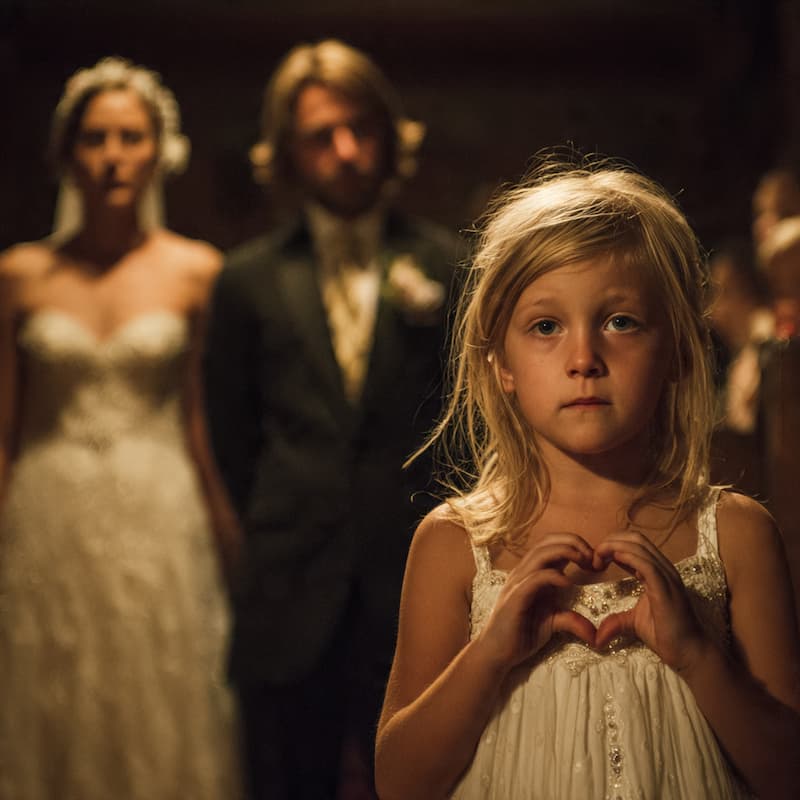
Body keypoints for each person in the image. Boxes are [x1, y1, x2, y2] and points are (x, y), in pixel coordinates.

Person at [374, 160, 800, 799]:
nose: (583, 360)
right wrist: (489, 654)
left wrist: (696, 655)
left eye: (620, 322)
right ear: (500, 365)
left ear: (679, 350)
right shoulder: (456, 544)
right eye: (546, 327)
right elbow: (399, 781)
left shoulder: (736, 534)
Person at [203, 39, 461, 800]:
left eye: (360, 128)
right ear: (288, 151)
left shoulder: (449, 265)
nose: (345, 151)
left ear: (389, 134)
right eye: (320, 135)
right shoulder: (245, 280)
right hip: (289, 587)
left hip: (415, 579)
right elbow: (232, 436)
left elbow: (466, 427)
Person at [0, 57, 242, 798]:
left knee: (160, 687)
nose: (113, 155)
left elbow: (203, 416)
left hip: (160, 508)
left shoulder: (197, 271)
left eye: (130, 137)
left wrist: (227, 527)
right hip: (47, 509)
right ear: (66, 153)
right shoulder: (20, 275)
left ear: (158, 150)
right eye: (97, 137)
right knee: (50, 693)